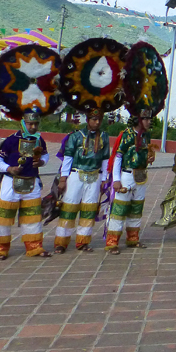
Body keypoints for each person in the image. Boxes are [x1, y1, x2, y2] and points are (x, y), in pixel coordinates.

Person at [0, 109, 51, 259]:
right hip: (10, 183)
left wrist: (42, 162)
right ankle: (1, 249)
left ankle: (34, 247)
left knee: (33, 216)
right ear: (23, 123)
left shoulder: (39, 140)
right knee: (4, 217)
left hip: (32, 182)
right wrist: (9, 168)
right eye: (30, 124)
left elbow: (45, 154)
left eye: (36, 124)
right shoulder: (11, 140)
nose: (33, 127)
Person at [54, 108, 110, 253]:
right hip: (76, 175)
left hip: (95, 176)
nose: (97, 122)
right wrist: (63, 179)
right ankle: (61, 242)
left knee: (89, 209)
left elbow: (105, 159)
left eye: (99, 120)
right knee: (69, 208)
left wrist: (104, 179)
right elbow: (68, 158)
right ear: (88, 120)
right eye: (94, 119)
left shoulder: (104, 136)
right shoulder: (76, 136)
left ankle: (83, 241)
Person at [106, 109, 155, 254]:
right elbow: (118, 157)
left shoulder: (146, 136)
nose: (149, 121)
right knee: (119, 209)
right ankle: (112, 242)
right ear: (138, 120)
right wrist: (116, 179)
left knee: (136, 209)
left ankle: (133, 238)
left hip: (141, 176)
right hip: (126, 175)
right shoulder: (126, 135)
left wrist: (149, 159)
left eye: (149, 119)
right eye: (146, 119)